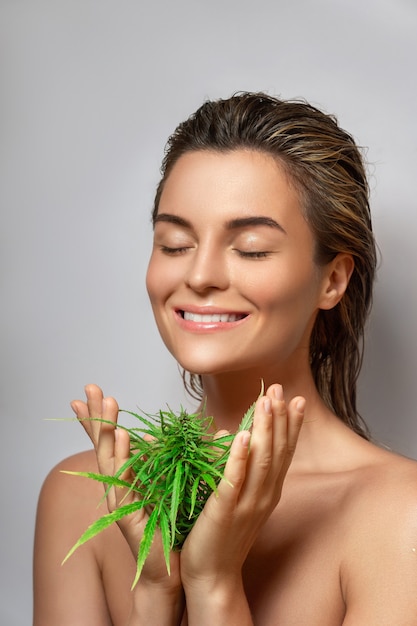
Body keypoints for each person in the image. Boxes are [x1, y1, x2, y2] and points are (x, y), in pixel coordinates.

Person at [33, 92, 417, 625]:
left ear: (332, 279)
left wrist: (213, 586)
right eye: (174, 243)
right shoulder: (80, 500)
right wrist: (154, 594)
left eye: (252, 248)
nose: (200, 275)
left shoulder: (401, 518)